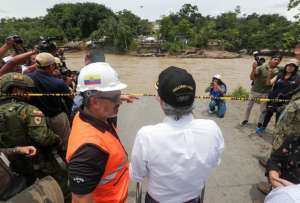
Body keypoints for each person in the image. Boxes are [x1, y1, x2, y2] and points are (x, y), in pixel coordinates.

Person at [130, 66, 224, 203]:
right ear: (193, 99)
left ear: (161, 101)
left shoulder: (146, 136)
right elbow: (215, 162)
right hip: (193, 198)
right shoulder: (212, 129)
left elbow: (137, 175)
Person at [66, 62, 129, 203]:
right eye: (115, 98)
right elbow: (80, 200)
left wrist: (114, 98)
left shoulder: (87, 114)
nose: (119, 102)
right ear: (94, 102)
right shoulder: (89, 151)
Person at [0, 72, 62, 185]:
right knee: (60, 187)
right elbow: (43, 137)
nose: (31, 93)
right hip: (39, 162)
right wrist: (56, 139)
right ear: (18, 90)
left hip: (13, 165)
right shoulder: (29, 110)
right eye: (27, 90)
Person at [27, 52, 73, 149]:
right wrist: (68, 85)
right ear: (52, 66)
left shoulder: (28, 78)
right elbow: (70, 97)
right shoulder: (58, 82)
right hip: (57, 117)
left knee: (47, 143)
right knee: (67, 143)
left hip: (37, 118)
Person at [256, 59, 300, 134]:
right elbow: (268, 83)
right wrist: (269, 73)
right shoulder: (280, 75)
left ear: (295, 68)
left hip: (285, 101)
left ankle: (276, 132)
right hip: (273, 98)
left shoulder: (297, 78)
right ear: (286, 66)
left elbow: (297, 90)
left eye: (292, 66)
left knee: (279, 117)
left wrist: (288, 95)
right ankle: (263, 128)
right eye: (289, 65)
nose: (290, 67)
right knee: (268, 114)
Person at [241, 54, 282, 127]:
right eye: (275, 59)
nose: (276, 61)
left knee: (263, 109)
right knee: (249, 107)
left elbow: (291, 68)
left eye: (278, 60)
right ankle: (245, 119)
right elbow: (252, 78)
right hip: (255, 90)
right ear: (270, 59)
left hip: (266, 92)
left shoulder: (278, 70)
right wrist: (253, 68)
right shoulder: (261, 67)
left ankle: (260, 123)